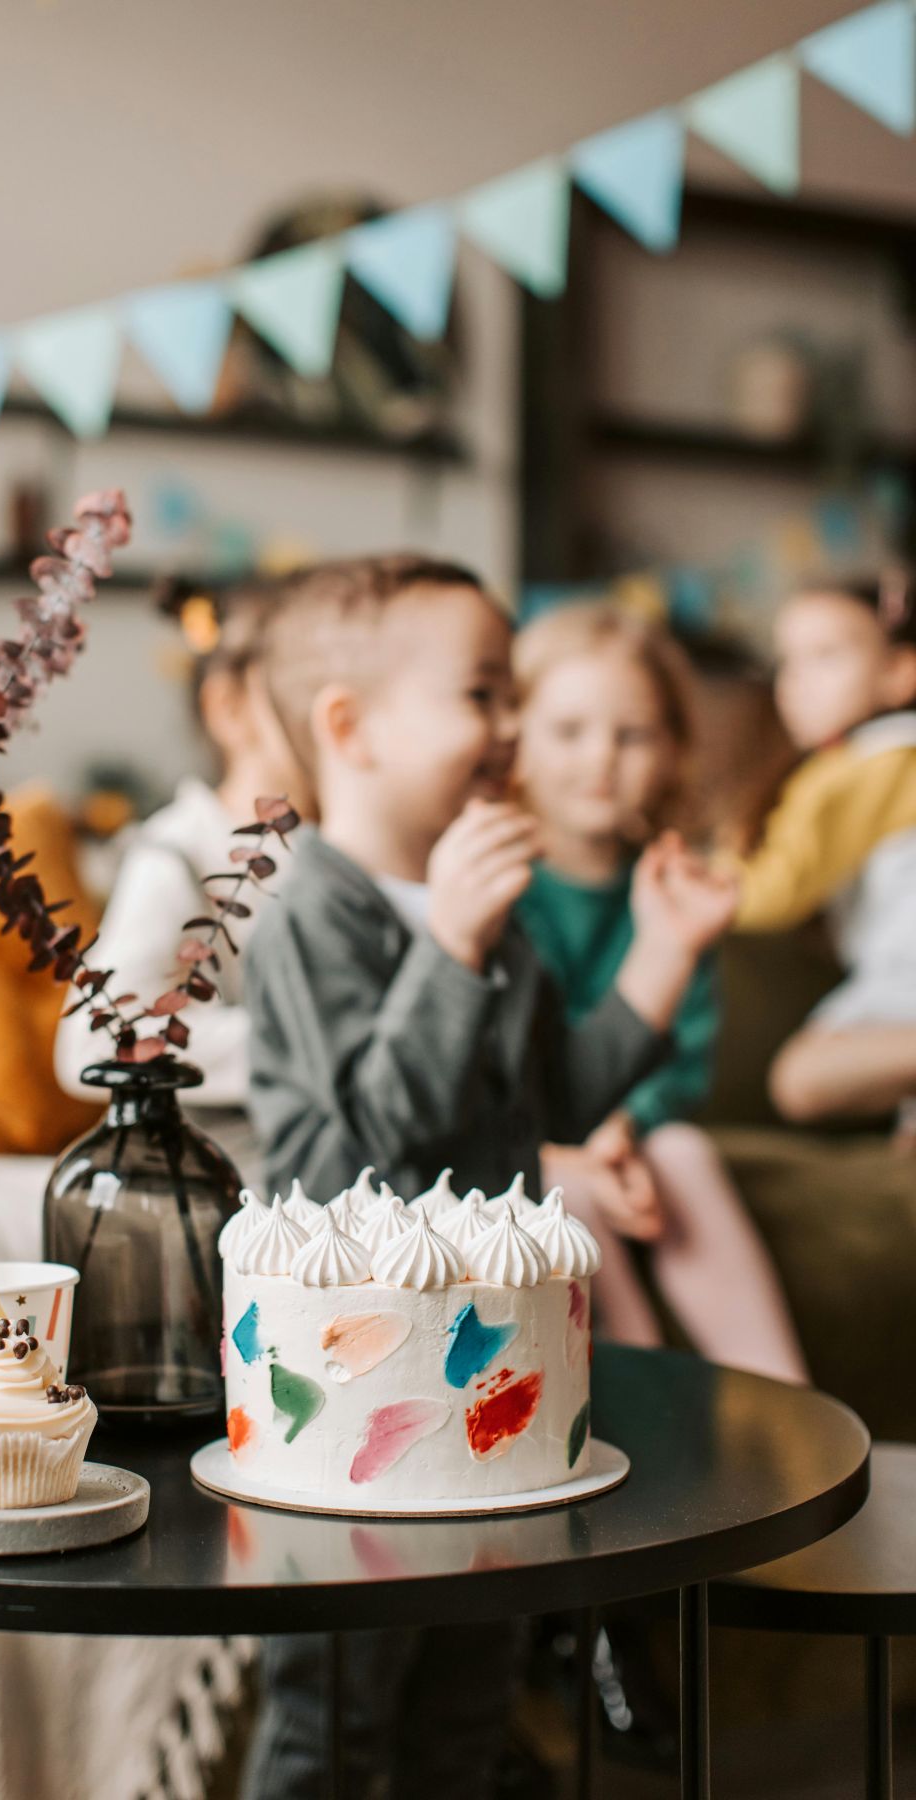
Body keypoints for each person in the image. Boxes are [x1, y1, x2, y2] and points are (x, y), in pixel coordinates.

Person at [240, 555, 739, 1800]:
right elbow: (337, 1163)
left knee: (471, 1695)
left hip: (494, 1386)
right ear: (350, 728)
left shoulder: (492, 908)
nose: (512, 728)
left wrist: (663, 956)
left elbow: (558, 1097)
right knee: (340, 1712)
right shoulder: (315, 913)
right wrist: (449, 950)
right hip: (358, 1399)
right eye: (484, 694)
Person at [514, 603, 808, 1383]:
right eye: (570, 731)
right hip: (533, 1149)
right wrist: (583, 1149)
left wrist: (622, 1129)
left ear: (674, 748)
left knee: (682, 1147)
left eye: (633, 734)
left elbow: (684, 1059)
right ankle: (639, 1392)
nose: (602, 759)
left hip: (631, 1139)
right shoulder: (499, 887)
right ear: (518, 741)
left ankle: (782, 1400)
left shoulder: (676, 886)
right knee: (562, 1189)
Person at [54, 578, 314, 1180]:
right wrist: (307, 1040)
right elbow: (93, 1043)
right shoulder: (177, 855)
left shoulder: (331, 849)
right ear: (229, 708)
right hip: (231, 1182)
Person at [727, 575, 916, 1142]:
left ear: (900, 672)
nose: (797, 682)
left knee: (799, 1081)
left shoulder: (866, 764)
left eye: (827, 656)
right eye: (788, 662)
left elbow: (777, 890)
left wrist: (700, 881)